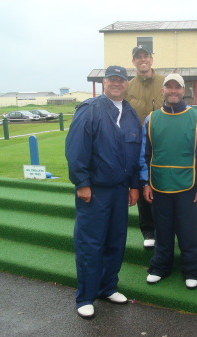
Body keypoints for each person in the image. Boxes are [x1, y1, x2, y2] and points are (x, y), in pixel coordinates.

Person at [65, 65, 142, 319]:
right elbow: (76, 149)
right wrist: (82, 183)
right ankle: (85, 296)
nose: (117, 83)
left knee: (115, 241)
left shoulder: (130, 113)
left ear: (127, 83)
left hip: (121, 191)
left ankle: (108, 287)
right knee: (90, 243)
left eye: (121, 79)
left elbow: (134, 155)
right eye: (112, 79)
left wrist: (134, 185)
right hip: (95, 191)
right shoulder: (90, 109)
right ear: (104, 82)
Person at [142, 73, 197, 289]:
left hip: (189, 185)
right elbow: (145, 155)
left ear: (183, 90)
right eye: (168, 87)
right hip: (159, 185)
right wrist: (145, 183)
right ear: (163, 91)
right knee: (163, 229)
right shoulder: (151, 119)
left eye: (176, 87)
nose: (173, 91)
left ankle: (193, 269)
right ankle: (160, 266)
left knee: (190, 230)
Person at [125, 45, 165, 249]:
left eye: (146, 56)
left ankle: (165, 228)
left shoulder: (164, 82)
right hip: (137, 144)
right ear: (133, 61)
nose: (142, 60)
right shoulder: (128, 86)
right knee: (142, 183)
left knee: (163, 185)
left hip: (162, 143)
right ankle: (148, 229)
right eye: (138, 57)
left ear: (151, 59)